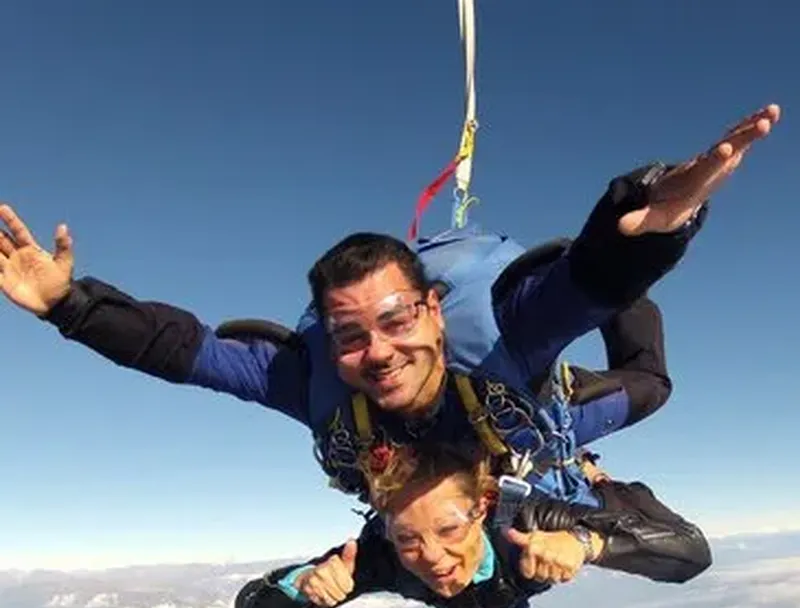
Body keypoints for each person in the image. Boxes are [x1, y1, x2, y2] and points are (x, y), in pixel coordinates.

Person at [0, 105, 779, 511]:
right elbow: (185, 350)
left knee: (647, 378)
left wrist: (651, 212)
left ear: (436, 311)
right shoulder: (315, 387)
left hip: (535, 411)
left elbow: (592, 276)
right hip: (488, 444)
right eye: (348, 334)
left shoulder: (504, 333)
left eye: (397, 320)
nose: (376, 352)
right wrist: (67, 304)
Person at [233, 443, 712, 608]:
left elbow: (691, 553)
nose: (433, 558)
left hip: (582, 499)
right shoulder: (378, 556)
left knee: (647, 402)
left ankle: (594, 472)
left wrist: (585, 542)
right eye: (409, 539)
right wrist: (303, 585)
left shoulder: (530, 520)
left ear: (481, 509)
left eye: (448, 529)